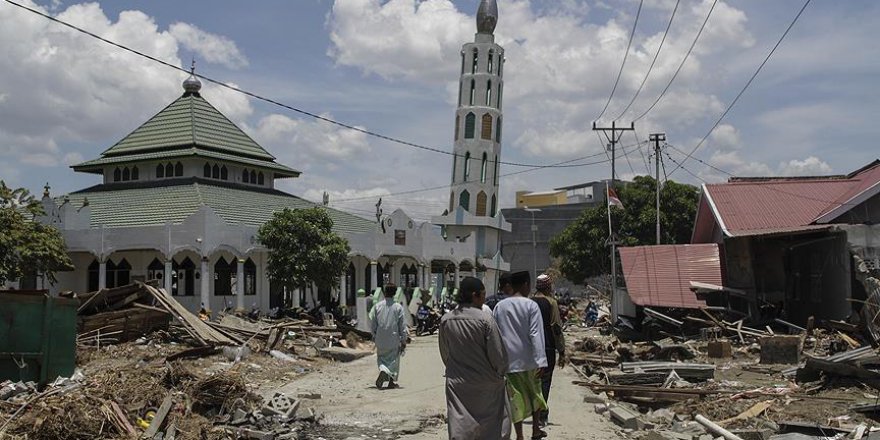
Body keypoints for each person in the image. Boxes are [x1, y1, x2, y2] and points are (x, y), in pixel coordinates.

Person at [439, 277, 511, 439]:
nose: (484, 299)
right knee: (493, 425)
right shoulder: (485, 320)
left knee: (460, 422)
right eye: (483, 295)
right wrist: (501, 373)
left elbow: (445, 353)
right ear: (475, 295)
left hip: (457, 383)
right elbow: (498, 356)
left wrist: (455, 369)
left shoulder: (446, 320)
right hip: (487, 383)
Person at [493, 271, 548, 440]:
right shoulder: (531, 306)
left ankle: (519, 435)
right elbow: (535, 334)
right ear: (526, 284)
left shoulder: (499, 307)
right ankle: (535, 429)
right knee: (535, 395)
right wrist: (541, 361)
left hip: (509, 362)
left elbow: (495, 334)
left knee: (515, 399)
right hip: (530, 360)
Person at [531, 274, 566, 427]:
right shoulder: (551, 303)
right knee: (545, 381)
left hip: (530, 347)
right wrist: (562, 351)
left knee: (533, 381)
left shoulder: (529, 302)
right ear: (547, 287)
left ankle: (533, 411)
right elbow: (556, 327)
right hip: (546, 346)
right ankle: (541, 415)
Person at [370, 283, 408, 389]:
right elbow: (402, 326)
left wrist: (373, 335)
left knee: (382, 359)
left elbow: (373, 324)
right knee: (394, 361)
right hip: (393, 339)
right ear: (395, 293)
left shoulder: (377, 306)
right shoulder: (398, 307)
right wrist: (403, 339)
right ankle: (390, 380)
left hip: (380, 339)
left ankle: (383, 370)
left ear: (385, 292)